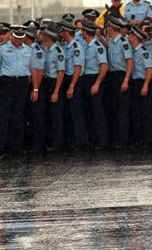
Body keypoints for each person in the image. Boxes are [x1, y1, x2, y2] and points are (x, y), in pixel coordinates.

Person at [0, 26, 32, 154]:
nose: (18, 41)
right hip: (7, 82)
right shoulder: (2, 49)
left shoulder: (28, 50)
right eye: (16, 38)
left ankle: (16, 147)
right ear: (12, 36)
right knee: (4, 114)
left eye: (21, 38)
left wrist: (34, 88)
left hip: (22, 82)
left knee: (18, 115)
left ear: (24, 37)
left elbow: (33, 69)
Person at [58, 20, 88, 150]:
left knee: (77, 112)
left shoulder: (76, 47)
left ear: (66, 32)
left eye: (61, 31)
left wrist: (72, 86)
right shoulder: (66, 46)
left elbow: (77, 68)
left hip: (74, 80)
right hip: (67, 79)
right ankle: (72, 140)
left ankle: (80, 141)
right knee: (69, 112)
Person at [104, 16, 133, 149]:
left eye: (108, 27)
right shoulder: (111, 42)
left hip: (121, 76)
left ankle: (123, 140)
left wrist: (126, 80)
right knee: (114, 108)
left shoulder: (123, 42)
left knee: (122, 110)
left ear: (111, 28)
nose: (107, 29)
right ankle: (116, 138)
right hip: (112, 76)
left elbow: (129, 62)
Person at [80, 20, 109, 150]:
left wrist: (97, 83)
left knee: (97, 111)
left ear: (86, 32)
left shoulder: (98, 46)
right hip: (86, 79)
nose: (81, 33)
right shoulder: (86, 45)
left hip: (94, 79)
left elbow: (104, 65)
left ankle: (102, 140)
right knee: (89, 111)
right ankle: (92, 139)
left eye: (82, 31)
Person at [127, 27, 152, 148]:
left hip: (142, 82)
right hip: (135, 82)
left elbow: (149, 68)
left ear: (135, 38)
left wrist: (146, 85)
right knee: (136, 112)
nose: (128, 37)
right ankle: (138, 138)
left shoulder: (143, 51)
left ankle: (148, 139)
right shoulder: (132, 51)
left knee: (145, 112)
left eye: (131, 36)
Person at [40, 24, 66, 152]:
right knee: (49, 114)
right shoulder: (45, 50)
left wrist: (56, 91)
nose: (41, 36)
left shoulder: (58, 51)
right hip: (46, 82)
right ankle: (50, 141)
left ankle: (58, 143)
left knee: (56, 115)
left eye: (44, 34)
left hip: (55, 83)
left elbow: (61, 72)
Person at [24, 27, 47, 153]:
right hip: (29, 84)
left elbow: (39, 70)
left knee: (37, 115)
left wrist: (35, 89)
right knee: (31, 115)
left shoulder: (36, 50)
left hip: (36, 84)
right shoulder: (27, 49)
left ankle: (39, 145)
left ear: (27, 37)